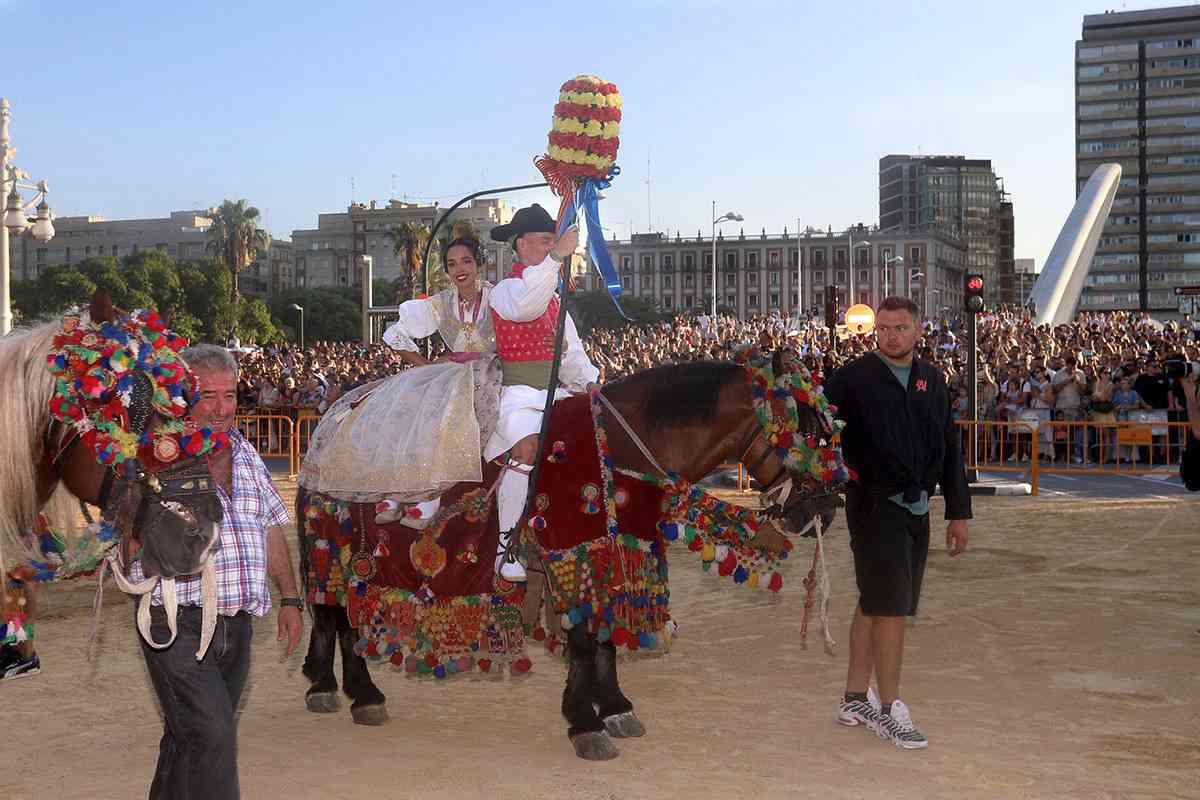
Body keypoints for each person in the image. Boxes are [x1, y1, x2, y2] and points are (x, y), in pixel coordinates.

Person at [128, 344, 302, 800]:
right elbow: (127, 538)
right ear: (183, 396)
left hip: (237, 627)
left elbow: (270, 528)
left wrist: (290, 598)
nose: (221, 409)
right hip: (175, 624)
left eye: (230, 395)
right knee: (212, 735)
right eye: (208, 395)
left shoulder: (246, 452)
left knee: (188, 737)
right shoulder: (156, 457)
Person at [826, 296, 971, 750]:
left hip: (918, 507)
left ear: (918, 330)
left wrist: (958, 512)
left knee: (876, 601)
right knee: (890, 608)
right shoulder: (851, 378)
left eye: (901, 327)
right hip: (872, 506)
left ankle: (855, 697)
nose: (891, 336)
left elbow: (948, 447)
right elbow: (814, 424)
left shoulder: (933, 379)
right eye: (884, 328)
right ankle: (890, 709)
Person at [313, 237, 501, 539]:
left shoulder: (498, 297)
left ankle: (430, 496)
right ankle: (396, 488)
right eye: (452, 264)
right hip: (451, 371)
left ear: (479, 263)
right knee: (401, 406)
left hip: (488, 371)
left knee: (445, 415)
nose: (459, 269)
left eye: (466, 261)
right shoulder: (442, 302)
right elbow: (394, 334)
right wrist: (424, 365)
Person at [484, 204, 599, 582]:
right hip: (516, 395)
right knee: (527, 448)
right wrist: (557, 257)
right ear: (520, 244)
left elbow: (572, 354)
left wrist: (590, 382)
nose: (551, 246)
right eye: (545, 240)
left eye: (553, 241)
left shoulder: (554, 300)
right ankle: (505, 547)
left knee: (596, 438)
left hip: (555, 393)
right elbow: (525, 305)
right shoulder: (504, 291)